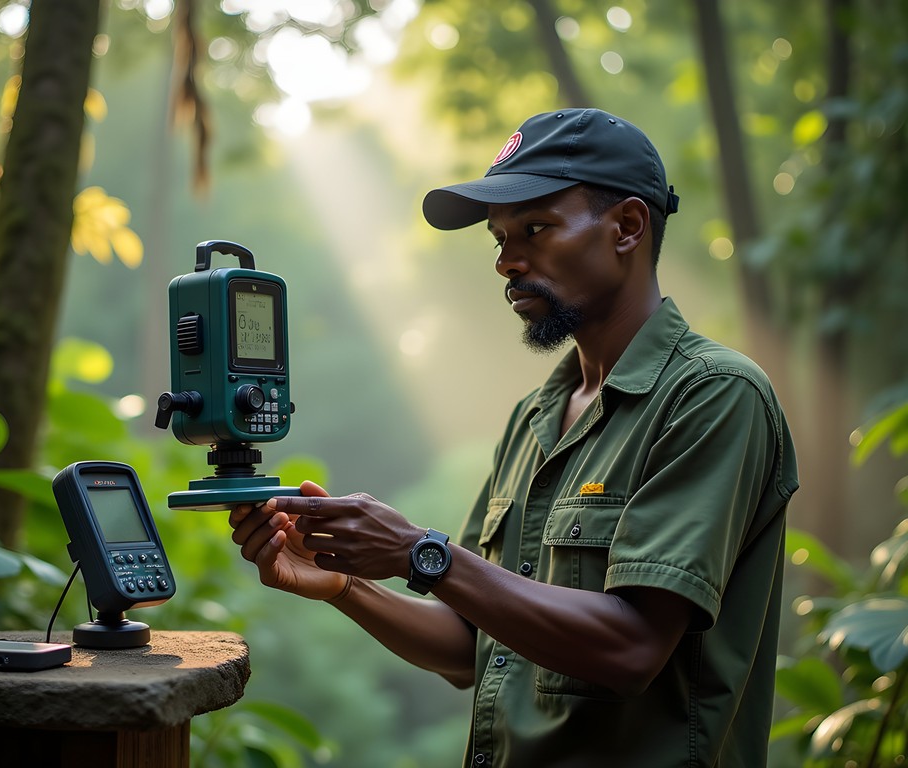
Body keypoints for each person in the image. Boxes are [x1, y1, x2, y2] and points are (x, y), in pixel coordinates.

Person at [229, 108, 799, 767]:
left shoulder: (714, 396)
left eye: (535, 228)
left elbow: (632, 648)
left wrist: (419, 550)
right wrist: (344, 586)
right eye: (499, 238)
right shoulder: (536, 417)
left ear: (628, 227)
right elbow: (471, 647)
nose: (507, 261)